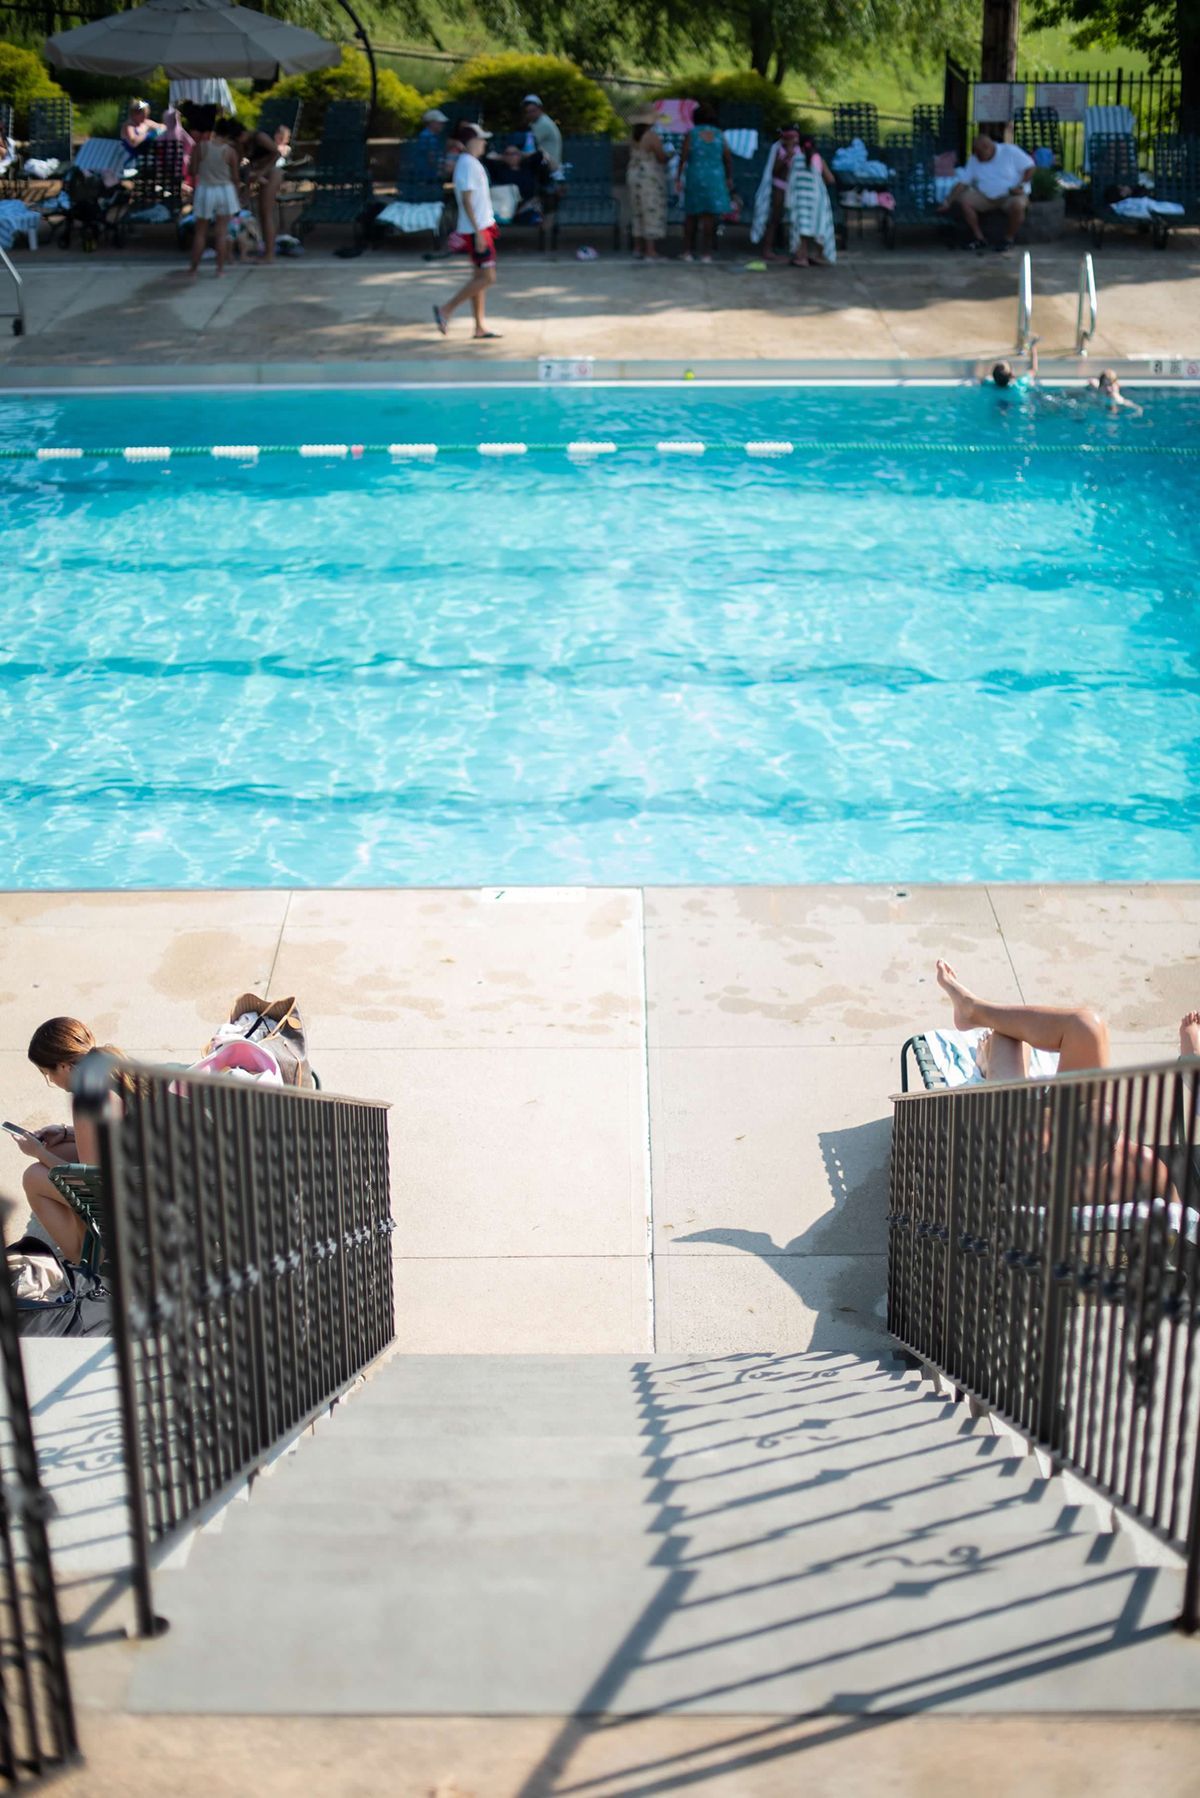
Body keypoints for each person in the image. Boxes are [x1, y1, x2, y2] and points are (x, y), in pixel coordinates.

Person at [6, 1018, 116, 1263]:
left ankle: (85, 1257)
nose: (51, 1081)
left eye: (48, 1073)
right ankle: (84, 1232)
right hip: (147, 1171)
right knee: (59, 1146)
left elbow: (87, 1179)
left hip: (129, 1195)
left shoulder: (88, 1098)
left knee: (34, 1176)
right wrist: (65, 1131)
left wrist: (38, 1152)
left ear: (65, 1066)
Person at [433, 123, 500, 341]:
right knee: (488, 278)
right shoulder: (468, 165)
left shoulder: (470, 163)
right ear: (470, 142)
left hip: (479, 227)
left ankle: (479, 327)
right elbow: (467, 201)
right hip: (477, 230)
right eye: (480, 139)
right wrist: (479, 233)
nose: (483, 143)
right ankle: (446, 310)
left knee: (479, 277)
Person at [940, 132, 1034, 254]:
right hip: (986, 196)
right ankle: (979, 238)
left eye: (979, 153)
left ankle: (1008, 239)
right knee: (964, 200)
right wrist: (948, 201)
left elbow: (1030, 167)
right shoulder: (974, 159)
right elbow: (963, 182)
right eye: (975, 153)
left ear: (988, 148)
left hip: (1010, 194)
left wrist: (1021, 185)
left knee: (1018, 206)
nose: (977, 156)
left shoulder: (1009, 151)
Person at [677, 103, 733, 263]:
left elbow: (683, 157)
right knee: (709, 217)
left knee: (691, 215)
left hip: (695, 177)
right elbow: (728, 158)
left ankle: (687, 251)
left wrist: (678, 177)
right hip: (715, 179)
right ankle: (706, 253)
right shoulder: (719, 135)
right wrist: (729, 178)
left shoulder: (692, 134)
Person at [188, 116, 240, 277]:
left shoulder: (201, 147)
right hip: (225, 189)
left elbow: (192, 171)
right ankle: (220, 269)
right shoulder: (230, 151)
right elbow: (236, 177)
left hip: (205, 188)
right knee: (222, 231)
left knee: (200, 232)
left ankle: (194, 268)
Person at [236, 120, 288, 262]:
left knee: (266, 213)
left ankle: (269, 254)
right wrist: (245, 191)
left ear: (243, 133)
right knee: (261, 213)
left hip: (272, 172)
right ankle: (266, 250)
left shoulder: (259, 137)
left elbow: (276, 154)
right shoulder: (242, 144)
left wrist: (260, 172)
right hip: (260, 174)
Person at [752, 122, 800, 261]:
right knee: (774, 219)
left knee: (795, 219)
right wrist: (786, 157)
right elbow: (774, 170)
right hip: (779, 186)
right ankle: (767, 249)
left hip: (794, 186)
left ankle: (796, 248)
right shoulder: (778, 149)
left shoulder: (800, 149)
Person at [788, 135, 838, 268]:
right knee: (820, 226)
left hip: (800, 200)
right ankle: (819, 255)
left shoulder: (795, 159)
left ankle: (802, 257)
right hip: (816, 200)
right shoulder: (818, 159)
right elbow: (830, 179)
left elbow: (792, 179)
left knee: (802, 229)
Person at [626, 110, 669, 261]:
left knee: (637, 210)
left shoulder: (633, 136)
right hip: (649, 176)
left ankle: (638, 248)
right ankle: (650, 251)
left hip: (633, 173)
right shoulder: (651, 136)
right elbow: (661, 156)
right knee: (651, 209)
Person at [487, 142, 543, 225]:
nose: (511, 156)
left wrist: (524, 155)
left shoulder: (528, 169)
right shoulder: (499, 171)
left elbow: (540, 155)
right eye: (507, 154)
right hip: (506, 210)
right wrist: (501, 157)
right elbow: (488, 158)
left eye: (514, 154)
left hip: (527, 208)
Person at [521, 95, 562, 172]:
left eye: (533, 111)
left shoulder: (543, 123)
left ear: (540, 109)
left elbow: (528, 146)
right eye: (527, 112)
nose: (530, 114)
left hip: (549, 166)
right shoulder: (535, 123)